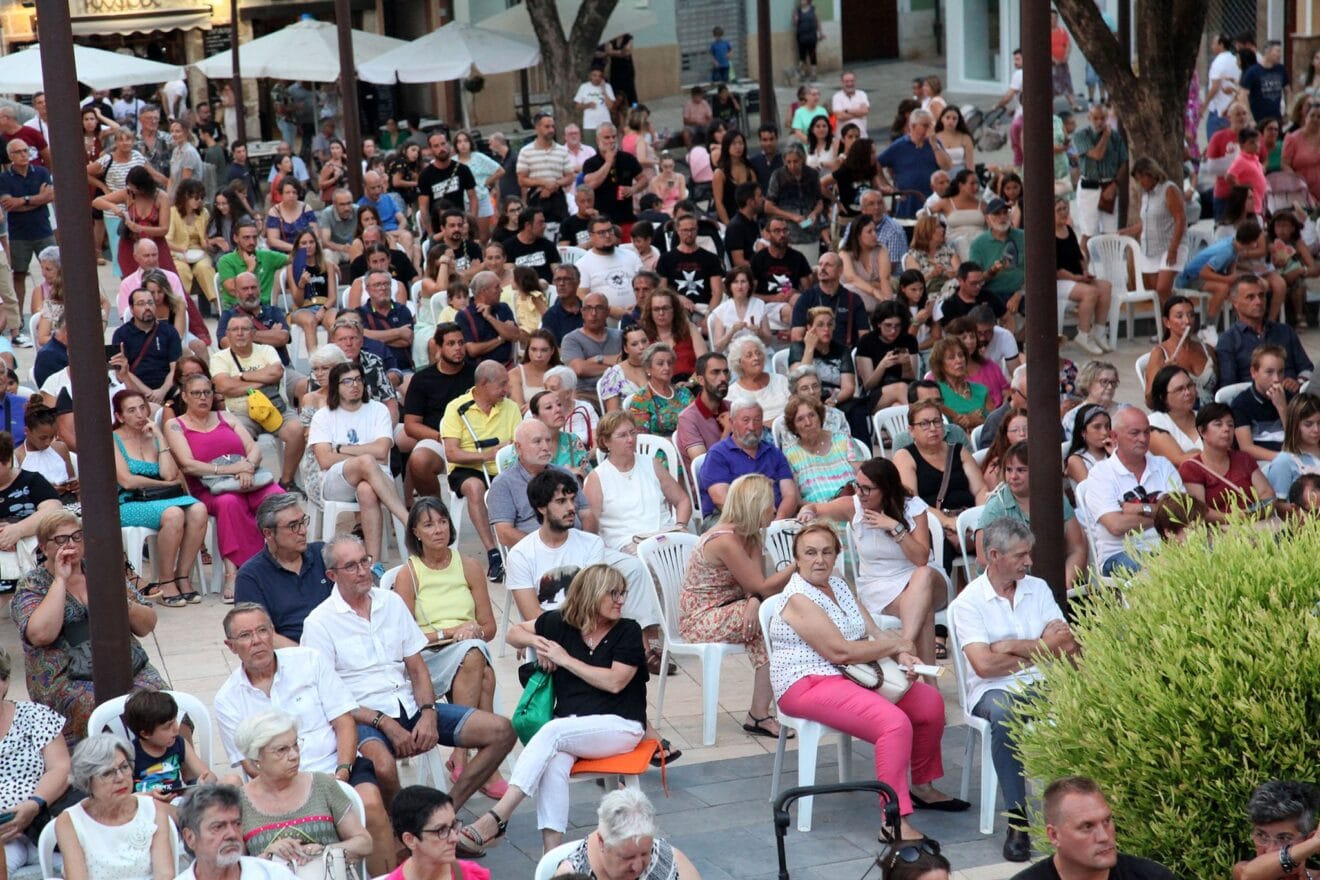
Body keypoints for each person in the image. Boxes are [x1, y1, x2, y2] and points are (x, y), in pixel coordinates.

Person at [769, 523, 965, 842]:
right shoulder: (798, 598)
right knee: (893, 724)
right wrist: (898, 645)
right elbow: (840, 651)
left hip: (855, 674)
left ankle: (922, 786)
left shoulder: (838, 583)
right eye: (810, 553)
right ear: (797, 559)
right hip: (807, 681)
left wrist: (902, 655)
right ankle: (893, 819)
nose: (819, 560)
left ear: (836, 555)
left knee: (930, 703)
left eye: (826, 552)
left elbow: (871, 630)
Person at [301, 535, 516, 819]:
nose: (363, 571)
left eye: (365, 561)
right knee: (384, 766)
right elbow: (330, 699)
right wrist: (385, 723)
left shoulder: (389, 603)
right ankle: (403, 834)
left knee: (502, 731)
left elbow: (416, 667)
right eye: (351, 566)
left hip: (410, 706)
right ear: (332, 575)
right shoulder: (319, 623)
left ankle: (444, 814)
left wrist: (428, 712)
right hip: (365, 718)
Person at [213, 602, 392, 868]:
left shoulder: (309, 660)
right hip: (275, 783)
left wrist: (341, 774)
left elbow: (343, 721)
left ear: (273, 632)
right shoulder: (227, 699)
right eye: (245, 635)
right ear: (231, 646)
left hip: (336, 765)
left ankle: (384, 874)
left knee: (371, 804)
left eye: (263, 631)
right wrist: (291, 788)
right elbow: (249, 763)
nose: (257, 641)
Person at [948, 518, 1078, 862]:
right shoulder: (968, 603)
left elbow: (1066, 645)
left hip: (1045, 684)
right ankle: (1018, 820)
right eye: (1021, 555)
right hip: (992, 692)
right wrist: (1040, 650)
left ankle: (1083, 811)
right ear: (994, 555)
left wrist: (1010, 646)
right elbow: (985, 667)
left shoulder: (1038, 588)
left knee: (1088, 702)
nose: (1029, 561)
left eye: (1028, 554)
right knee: (1006, 714)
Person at [10, 511, 165, 745]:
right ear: (44, 547)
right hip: (64, 673)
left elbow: (147, 625)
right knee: (100, 707)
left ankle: (179, 767)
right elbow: (41, 635)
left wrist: (119, 600)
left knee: (162, 702)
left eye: (76, 536)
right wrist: (61, 580)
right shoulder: (33, 584)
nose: (71, 544)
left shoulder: (101, 570)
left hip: (123, 662)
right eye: (61, 539)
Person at [392, 497, 504, 795]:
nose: (438, 529)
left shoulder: (468, 566)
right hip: (427, 657)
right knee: (482, 669)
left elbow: (490, 627)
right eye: (428, 524)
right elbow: (402, 637)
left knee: (475, 653)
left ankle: (461, 755)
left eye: (442, 522)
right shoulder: (409, 574)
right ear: (415, 532)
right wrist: (450, 631)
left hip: (469, 650)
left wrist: (475, 629)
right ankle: (475, 758)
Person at [164, 373, 285, 593]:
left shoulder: (226, 417)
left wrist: (247, 466)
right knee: (230, 503)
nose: (203, 398)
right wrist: (231, 470)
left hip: (248, 478)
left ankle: (282, 563)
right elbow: (188, 465)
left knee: (277, 499)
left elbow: (253, 448)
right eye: (196, 393)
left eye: (207, 392)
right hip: (210, 488)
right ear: (184, 396)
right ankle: (234, 574)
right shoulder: (175, 425)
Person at [232, 711, 373, 868]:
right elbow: (233, 866)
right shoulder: (239, 802)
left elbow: (364, 842)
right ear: (256, 756)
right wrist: (267, 857)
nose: (294, 755)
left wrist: (324, 851)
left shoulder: (323, 785)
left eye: (295, 745)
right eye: (281, 750)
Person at [308, 362, 409, 572]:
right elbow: (325, 460)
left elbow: (382, 451)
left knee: (366, 490)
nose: (354, 385)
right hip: (336, 482)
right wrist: (364, 454)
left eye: (358, 379)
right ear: (335, 386)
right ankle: (406, 518)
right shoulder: (323, 416)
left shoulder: (378, 410)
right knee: (366, 461)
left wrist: (341, 448)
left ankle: (373, 565)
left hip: (378, 479)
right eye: (347, 381)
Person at [111, 390, 207, 607]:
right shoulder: (113, 439)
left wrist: (160, 436)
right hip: (128, 501)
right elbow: (127, 481)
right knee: (173, 514)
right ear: (120, 416)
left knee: (199, 509)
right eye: (131, 410)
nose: (139, 414)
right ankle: (165, 581)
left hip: (159, 498)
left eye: (142, 408)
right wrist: (165, 485)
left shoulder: (152, 436)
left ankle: (181, 576)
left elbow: (169, 474)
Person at [54, 734, 174, 880]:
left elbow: (165, 875)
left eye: (124, 767)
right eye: (107, 773)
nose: (120, 778)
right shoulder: (69, 821)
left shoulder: (153, 810)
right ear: (87, 780)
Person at [1010, 776, 1178, 880]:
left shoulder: (1152, 876)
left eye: (1106, 821)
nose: (1104, 836)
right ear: (1054, 835)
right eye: (1087, 826)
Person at [1083, 406, 1185, 575]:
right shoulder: (1101, 473)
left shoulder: (1163, 465)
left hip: (1170, 547)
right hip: (1119, 554)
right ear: (1115, 436)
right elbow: (1116, 526)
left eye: (1146, 432)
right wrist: (1164, 516)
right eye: (1134, 433)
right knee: (1164, 567)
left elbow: (1184, 512)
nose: (1143, 439)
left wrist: (1140, 509)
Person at [210, 310, 304, 493]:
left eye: (245, 329)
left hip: (274, 407)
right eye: (234, 329)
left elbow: (277, 373)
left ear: (253, 333)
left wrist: (241, 377)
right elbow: (224, 387)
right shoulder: (219, 357)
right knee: (234, 438)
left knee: (297, 429)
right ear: (227, 335)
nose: (240, 333)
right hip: (241, 412)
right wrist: (263, 381)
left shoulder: (266, 350)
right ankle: (247, 482)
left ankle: (286, 481)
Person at [0, 644, 74, 874]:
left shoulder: (35, 715)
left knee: (89, 865)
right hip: (3, 840)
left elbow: (60, 768)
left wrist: (34, 804)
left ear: (5, 682)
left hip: (41, 822)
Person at [892, 397, 987, 565]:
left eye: (937, 421)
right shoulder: (905, 456)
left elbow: (980, 490)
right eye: (925, 424)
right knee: (939, 544)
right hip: (931, 522)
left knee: (999, 538)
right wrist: (946, 521)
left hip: (966, 518)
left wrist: (978, 519)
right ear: (911, 430)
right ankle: (945, 590)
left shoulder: (959, 451)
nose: (933, 428)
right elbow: (912, 502)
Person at [584, 412, 692, 554]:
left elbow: (682, 500)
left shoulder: (651, 464)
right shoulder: (597, 478)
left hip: (664, 537)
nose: (630, 439)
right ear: (605, 442)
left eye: (632, 433)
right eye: (622, 435)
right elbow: (590, 529)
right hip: (627, 546)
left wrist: (680, 526)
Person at [698, 400, 799, 523]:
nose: (752, 427)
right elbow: (720, 499)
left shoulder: (773, 452)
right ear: (732, 423)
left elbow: (790, 495)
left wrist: (777, 523)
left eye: (757, 420)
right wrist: (755, 525)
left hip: (774, 518)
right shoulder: (717, 454)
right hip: (728, 519)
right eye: (745, 420)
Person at [175, 784, 300, 880]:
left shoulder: (273, 875)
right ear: (190, 837)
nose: (232, 834)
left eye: (237, 824)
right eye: (218, 827)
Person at [1179, 402, 1276, 520]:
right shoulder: (1191, 468)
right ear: (1202, 431)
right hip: (1220, 531)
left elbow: (1267, 493)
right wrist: (1237, 517)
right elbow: (1201, 511)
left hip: (1255, 524)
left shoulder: (1244, 459)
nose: (1226, 429)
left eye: (1230, 425)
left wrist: (1254, 514)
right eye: (1218, 424)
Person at [1217, 274, 1312, 388]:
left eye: (1262, 295)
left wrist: (1299, 382)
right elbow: (1228, 386)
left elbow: (1307, 368)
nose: (1258, 302)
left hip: (1292, 399)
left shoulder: (1285, 331)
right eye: (1250, 297)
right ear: (1235, 303)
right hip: (1253, 402)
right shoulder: (1229, 340)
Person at [0, 138, 55, 314]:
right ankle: (19, 316)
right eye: (19, 152)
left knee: (56, 273)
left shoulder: (41, 172)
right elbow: (8, 205)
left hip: (43, 231)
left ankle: (57, 310)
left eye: (26, 150)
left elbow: (49, 196)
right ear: (10, 156)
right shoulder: (4, 178)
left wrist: (22, 201)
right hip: (18, 235)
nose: (24, 155)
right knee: (19, 274)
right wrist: (36, 199)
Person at [1053, 198, 1114, 356]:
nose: (1063, 212)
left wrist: (1085, 272)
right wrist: (1076, 278)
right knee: (1090, 292)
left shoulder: (1069, 230)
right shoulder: (1048, 236)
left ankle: (1099, 332)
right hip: (1060, 281)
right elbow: (1056, 269)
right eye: (1058, 209)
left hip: (1077, 277)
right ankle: (1083, 333)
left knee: (1105, 287)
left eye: (1064, 208)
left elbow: (1079, 257)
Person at [385, 786, 486, 880]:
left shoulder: (470, 875)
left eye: (453, 826)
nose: (455, 838)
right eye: (441, 830)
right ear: (410, 840)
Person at [1231, 780, 1320, 880]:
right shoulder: (1242, 870)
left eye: (1284, 838)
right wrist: (1316, 842)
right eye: (1261, 836)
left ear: (1307, 839)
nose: (1270, 849)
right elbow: (1246, 875)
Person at [1144, 296, 1217, 407]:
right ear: (1167, 322)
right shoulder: (1160, 353)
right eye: (1179, 316)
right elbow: (1150, 402)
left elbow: (1221, 389)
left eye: (1191, 315)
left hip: (1211, 415)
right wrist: (1163, 375)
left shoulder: (1207, 350)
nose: (1187, 321)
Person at [1071, 104, 1128, 246]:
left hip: (1109, 186)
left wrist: (1115, 185)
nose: (1099, 122)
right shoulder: (1081, 135)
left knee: (1111, 234)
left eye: (1102, 118)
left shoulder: (1115, 137)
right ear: (1089, 118)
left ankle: (1110, 266)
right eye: (1095, 118)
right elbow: (1097, 154)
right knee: (1088, 234)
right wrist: (1105, 136)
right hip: (1089, 188)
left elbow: (1124, 162)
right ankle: (1084, 267)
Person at [877, 110, 950, 218]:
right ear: (913, 126)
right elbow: (877, 163)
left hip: (931, 199)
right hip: (907, 202)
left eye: (931, 125)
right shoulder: (899, 146)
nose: (929, 129)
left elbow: (947, 166)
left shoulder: (934, 143)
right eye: (925, 125)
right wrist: (886, 184)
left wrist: (934, 145)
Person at [1231, 344, 1295, 462]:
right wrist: (1282, 458)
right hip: (1261, 463)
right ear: (1254, 372)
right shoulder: (1241, 403)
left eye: (1280, 372)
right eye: (1269, 372)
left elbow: (1299, 441)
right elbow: (1246, 448)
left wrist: (1282, 408)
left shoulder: (1290, 397)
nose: (1276, 379)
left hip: (1292, 457)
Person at [166, 179, 220, 309]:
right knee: (182, 270)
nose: (199, 200)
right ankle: (183, 307)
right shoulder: (173, 212)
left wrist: (213, 242)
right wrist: (181, 250)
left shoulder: (204, 213)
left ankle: (218, 304)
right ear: (185, 196)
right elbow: (167, 240)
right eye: (196, 197)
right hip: (177, 252)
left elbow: (205, 240)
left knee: (204, 268)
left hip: (199, 251)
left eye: (201, 197)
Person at [217, 219, 289, 309]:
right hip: (236, 312)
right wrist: (250, 268)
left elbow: (293, 258)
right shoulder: (225, 261)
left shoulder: (266, 256)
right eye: (246, 237)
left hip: (264, 310)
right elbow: (232, 289)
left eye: (254, 237)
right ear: (236, 238)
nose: (252, 242)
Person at [726, 335, 791, 428]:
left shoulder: (780, 380)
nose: (756, 357)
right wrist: (773, 424)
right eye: (749, 355)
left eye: (758, 353)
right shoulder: (732, 394)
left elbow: (795, 407)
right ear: (739, 362)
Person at [1264, 393, 1320, 498]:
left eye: (1319, 423)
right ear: (1294, 425)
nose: (1316, 430)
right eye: (1308, 424)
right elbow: (1277, 506)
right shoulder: (1284, 461)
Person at [1146, 366, 1203, 466]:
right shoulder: (1154, 423)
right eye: (1179, 389)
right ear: (1163, 397)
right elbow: (1179, 461)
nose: (1188, 392)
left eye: (1190, 385)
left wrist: (1196, 454)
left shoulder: (1205, 417)